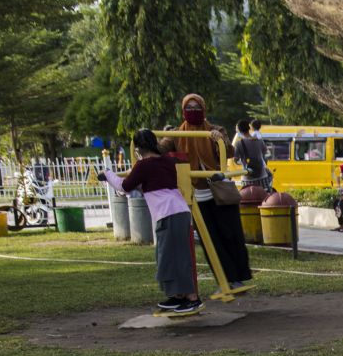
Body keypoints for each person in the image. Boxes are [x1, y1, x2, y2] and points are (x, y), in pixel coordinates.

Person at [98, 130, 201, 314]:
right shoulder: (168, 161)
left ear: (137, 148)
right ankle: (177, 296)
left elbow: (124, 187)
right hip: (175, 212)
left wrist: (107, 174)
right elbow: (152, 183)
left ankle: (192, 298)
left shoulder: (144, 165)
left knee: (176, 258)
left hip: (169, 213)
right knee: (168, 257)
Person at [177, 93, 253, 292]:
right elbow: (162, 147)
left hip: (219, 190)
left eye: (197, 108)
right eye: (189, 108)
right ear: (183, 111)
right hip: (197, 193)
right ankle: (223, 280)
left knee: (231, 234)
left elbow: (229, 152)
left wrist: (220, 141)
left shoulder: (215, 130)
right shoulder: (178, 135)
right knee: (211, 241)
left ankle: (238, 278)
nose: (193, 112)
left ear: (204, 109)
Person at [233, 119, 272, 190]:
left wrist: (243, 162)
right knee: (264, 198)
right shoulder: (259, 141)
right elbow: (266, 154)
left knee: (249, 199)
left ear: (239, 130)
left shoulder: (239, 144)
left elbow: (235, 160)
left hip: (247, 179)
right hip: (262, 176)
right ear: (249, 128)